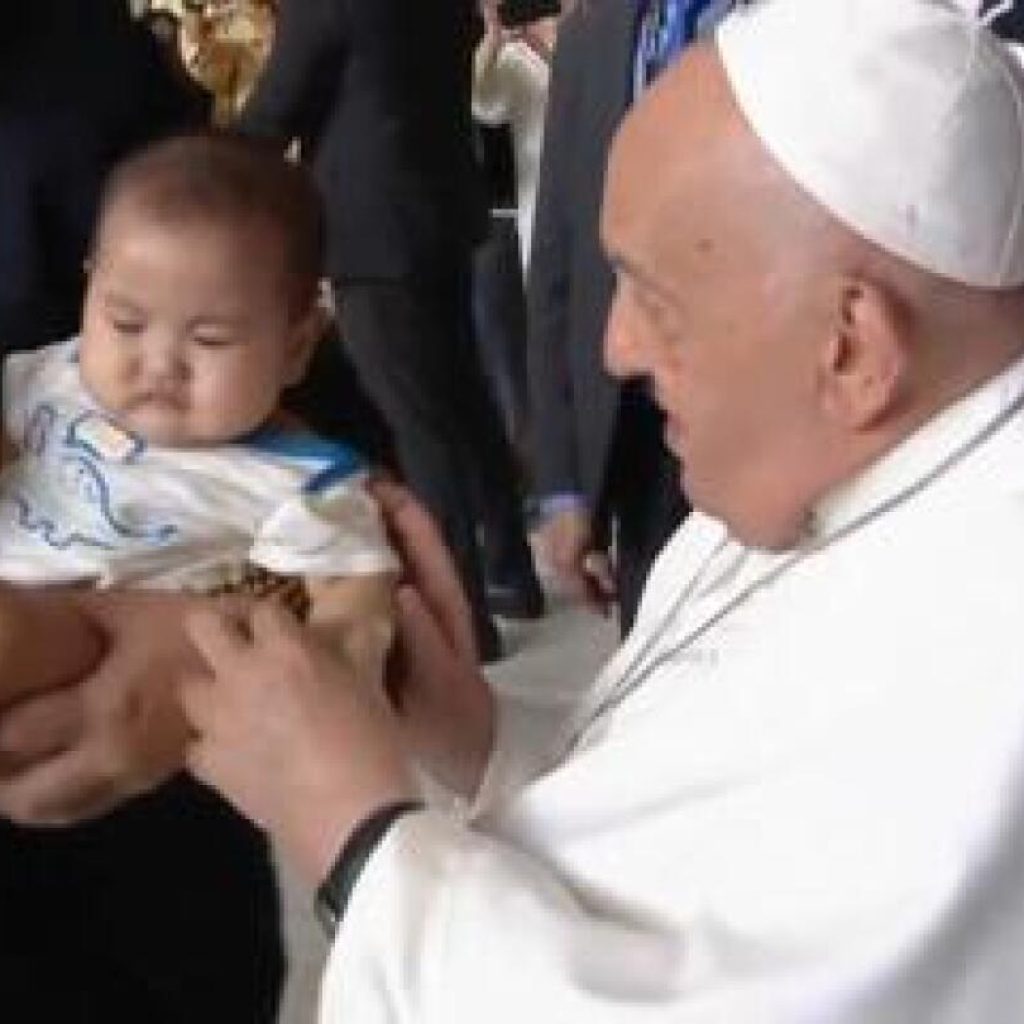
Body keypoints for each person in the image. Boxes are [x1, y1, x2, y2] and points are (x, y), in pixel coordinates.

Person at [174, 1, 1024, 1020]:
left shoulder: (985, 662)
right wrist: (477, 732)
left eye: (653, 297)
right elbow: (690, 832)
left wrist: (352, 832)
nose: (614, 349)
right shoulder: (808, 466)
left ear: (851, 348)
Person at [0, 132, 397, 1024]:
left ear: (299, 344)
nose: (158, 365)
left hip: (152, 750)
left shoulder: (301, 478)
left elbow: (355, 616)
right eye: (126, 321)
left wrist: (310, 678)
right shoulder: (48, 379)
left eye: (210, 338)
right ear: (90, 286)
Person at [235, 0, 544, 658]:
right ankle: (513, 573)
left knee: (418, 424)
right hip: (438, 215)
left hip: (372, 234)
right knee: (462, 402)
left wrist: (186, 176)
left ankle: (463, 621)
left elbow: (272, 113)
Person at [527, 0, 730, 629]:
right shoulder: (593, 35)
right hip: (640, 433)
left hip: (783, 421)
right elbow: (559, 267)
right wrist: (565, 483)